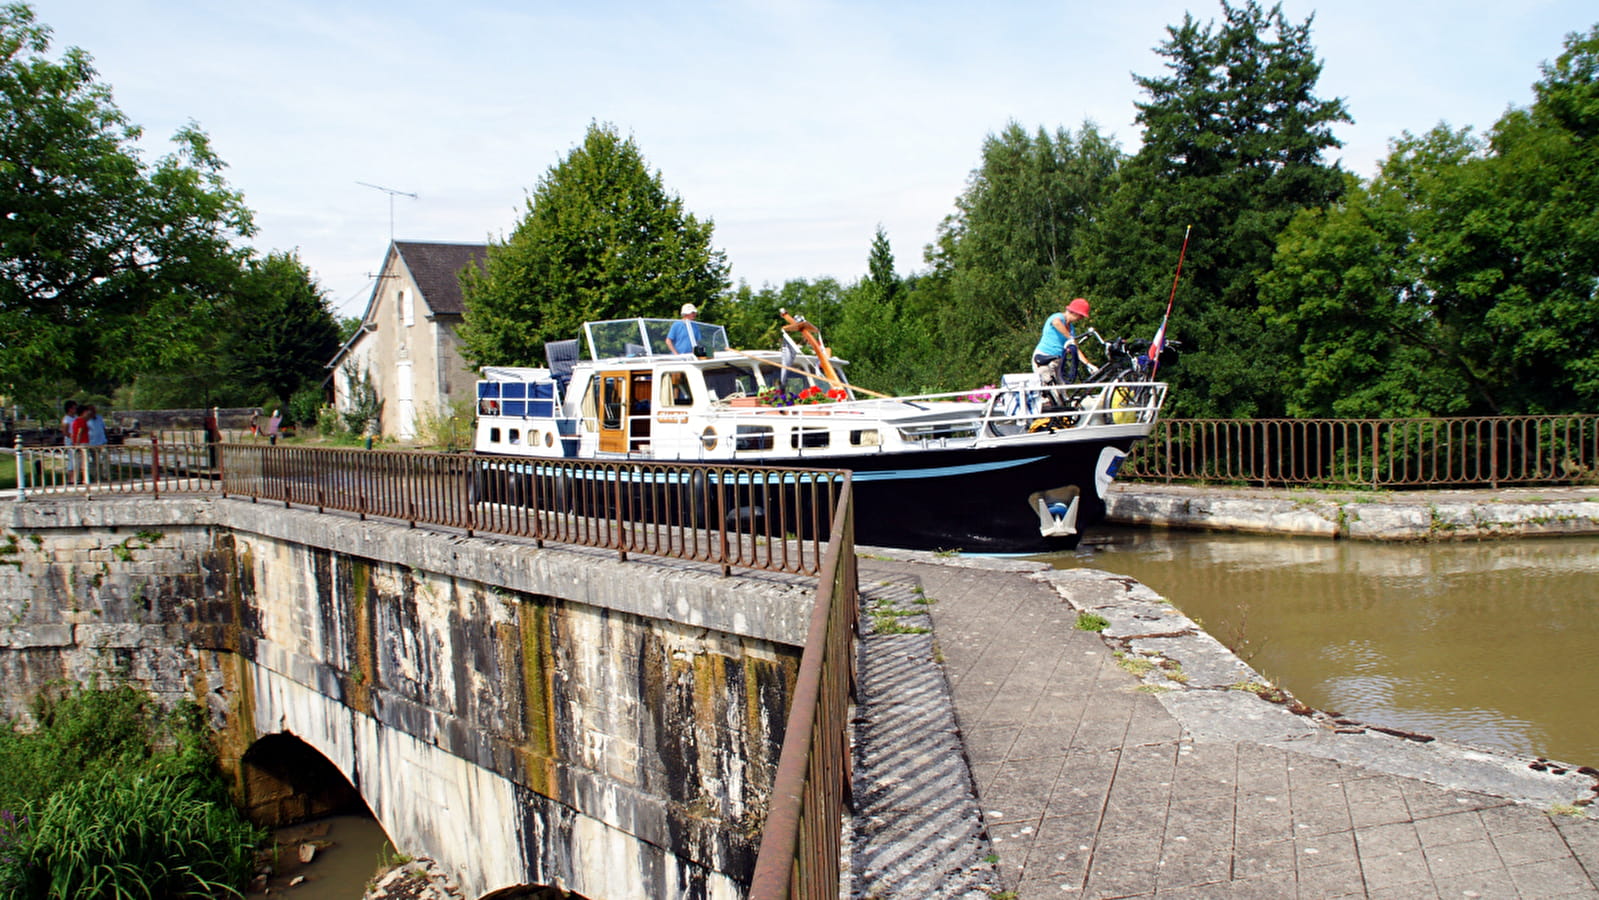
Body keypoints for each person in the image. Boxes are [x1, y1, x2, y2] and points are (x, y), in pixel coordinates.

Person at [1032, 297, 1095, 410]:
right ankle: (1046, 418)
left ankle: (1062, 418)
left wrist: (1088, 364)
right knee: (1051, 392)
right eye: (1080, 316)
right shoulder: (1058, 317)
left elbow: (1075, 347)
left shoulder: (1070, 328)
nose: (1080, 319)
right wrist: (1069, 338)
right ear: (1074, 313)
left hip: (1058, 361)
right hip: (1045, 359)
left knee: (1062, 392)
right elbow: (1056, 323)